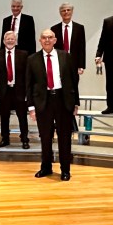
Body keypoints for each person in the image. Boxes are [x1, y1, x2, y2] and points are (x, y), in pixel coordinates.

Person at [26, 30, 79, 180]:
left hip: (63, 100)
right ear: (40, 41)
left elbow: (74, 80)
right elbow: (28, 85)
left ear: (55, 40)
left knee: (64, 137)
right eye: (44, 38)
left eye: (50, 37)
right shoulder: (32, 59)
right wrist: (31, 107)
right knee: (45, 137)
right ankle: (46, 167)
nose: (47, 40)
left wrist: (76, 102)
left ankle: (65, 170)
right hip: (43, 102)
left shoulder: (66, 56)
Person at [0, 31, 30, 149]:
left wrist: (28, 91)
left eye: (12, 39)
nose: (10, 41)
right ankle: (5, 139)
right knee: (4, 117)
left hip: (19, 91)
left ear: (16, 41)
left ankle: (24, 139)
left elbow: (28, 74)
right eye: (8, 39)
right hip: (3, 91)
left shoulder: (23, 54)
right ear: (4, 41)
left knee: (22, 116)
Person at [51, 2, 86, 76]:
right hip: (59, 62)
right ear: (60, 13)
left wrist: (81, 65)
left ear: (72, 11)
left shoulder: (79, 28)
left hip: (74, 63)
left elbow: (82, 48)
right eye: (63, 10)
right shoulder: (54, 29)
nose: (66, 12)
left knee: (74, 82)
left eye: (68, 10)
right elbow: (52, 48)